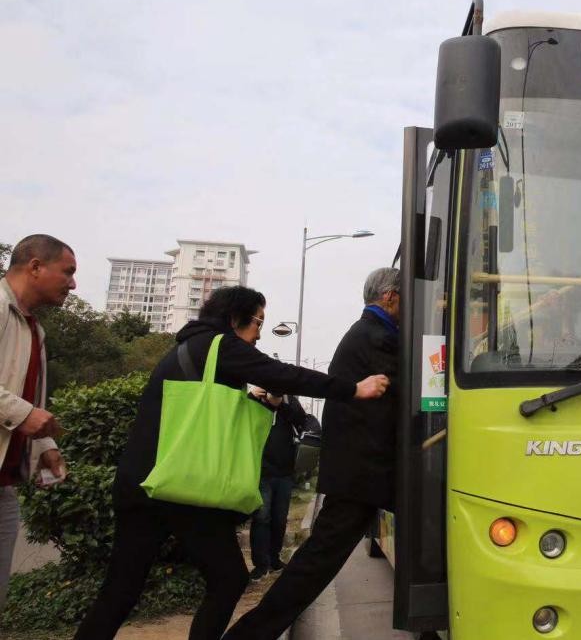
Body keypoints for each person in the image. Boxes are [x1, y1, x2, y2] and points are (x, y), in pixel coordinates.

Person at [73, 286, 389, 640]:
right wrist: (352, 389)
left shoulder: (188, 347)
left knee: (121, 590)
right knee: (229, 579)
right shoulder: (220, 344)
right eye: (258, 322)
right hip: (179, 487)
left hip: (139, 483)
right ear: (235, 317)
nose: (258, 333)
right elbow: (280, 373)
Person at [224, 267, 401, 640]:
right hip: (362, 474)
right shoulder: (379, 337)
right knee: (316, 564)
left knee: (317, 562)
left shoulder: (369, 333)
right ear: (390, 297)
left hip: (360, 471)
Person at [0, 235, 74, 613]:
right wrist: (23, 414)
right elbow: (23, 407)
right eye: (68, 272)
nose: (73, 284)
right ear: (34, 266)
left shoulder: (34, 330)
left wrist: (45, 447)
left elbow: (30, 399)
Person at [248, 387, 308, 580]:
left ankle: (274, 560)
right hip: (260, 470)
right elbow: (240, 419)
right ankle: (260, 565)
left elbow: (301, 421)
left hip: (284, 472)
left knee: (279, 519)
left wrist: (280, 404)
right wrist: (251, 397)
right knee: (261, 518)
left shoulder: (289, 400)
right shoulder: (255, 399)